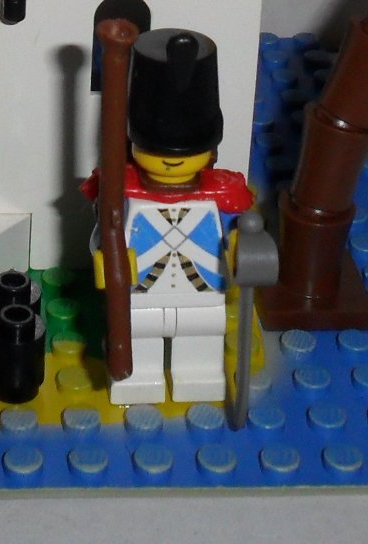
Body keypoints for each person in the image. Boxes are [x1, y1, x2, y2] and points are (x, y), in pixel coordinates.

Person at [83, 28, 253, 404]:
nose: (171, 161)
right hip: (141, 291)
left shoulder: (221, 195)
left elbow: (236, 231)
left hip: (203, 291)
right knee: (139, 334)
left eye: (187, 151)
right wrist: (103, 257)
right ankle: (138, 379)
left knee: (202, 339)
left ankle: (199, 376)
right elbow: (104, 229)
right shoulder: (123, 192)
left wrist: (241, 249)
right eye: (156, 149)